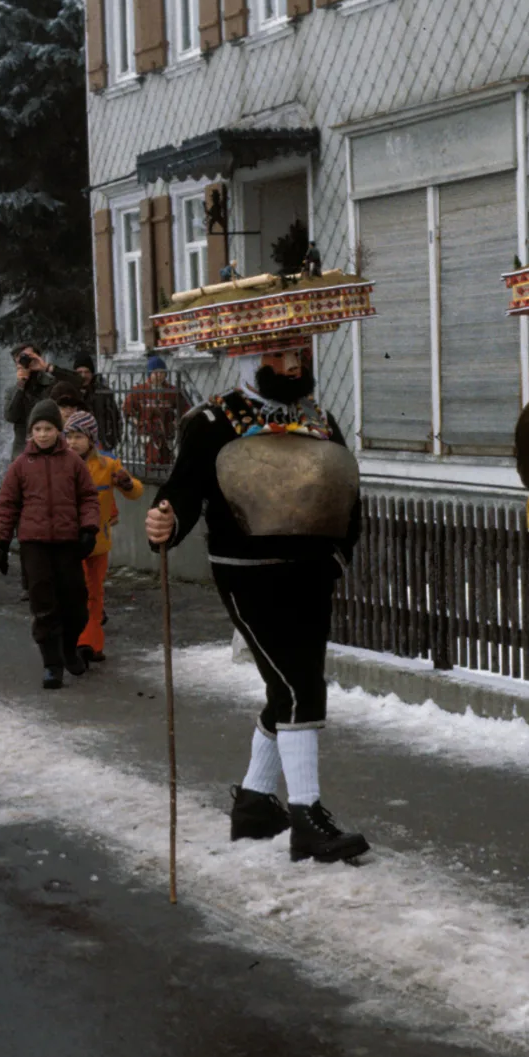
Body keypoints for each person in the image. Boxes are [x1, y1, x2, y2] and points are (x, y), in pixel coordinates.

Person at [145, 343, 368, 863]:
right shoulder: (210, 423)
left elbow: (346, 492)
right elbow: (183, 492)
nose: (293, 366)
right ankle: (307, 817)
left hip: (312, 572)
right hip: (248, 575)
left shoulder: (319, 420)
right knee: (298, 687)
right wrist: (166, 523)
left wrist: (339, 555)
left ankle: (254, 802)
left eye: (300, 353)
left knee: (288, 688)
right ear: (248, 357)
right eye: (277, 355)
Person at [0, 399, 99, 689]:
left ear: (58, 431)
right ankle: (52, 664)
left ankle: (68, 649)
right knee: (43, 605)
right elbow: (7, 505)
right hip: (34, 545)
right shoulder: (20, 466)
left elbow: (88, 497)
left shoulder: (73, 462)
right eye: (37, 429)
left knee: (76, 604)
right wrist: (1, 542)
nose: (42, 434)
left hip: (67, 543)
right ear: (30, 432)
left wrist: (89, 528)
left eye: (48, 428)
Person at [63, 411, 141, 663]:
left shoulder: (108, 464)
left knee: (94, 594)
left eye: (78, 436)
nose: (72, 442)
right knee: (74, 593)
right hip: (67, 542)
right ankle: (78, 640)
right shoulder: (60, 463)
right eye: (69, 436)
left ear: (91, 438)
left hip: (98, 543)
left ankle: (91, 644)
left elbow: (135, 492)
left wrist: (128, 483)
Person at [3, 343, 83, 459]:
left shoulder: (52, 385)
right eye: (21, 358)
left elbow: (78, 382)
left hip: (53, 452)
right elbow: (10, 417)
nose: (26, 361)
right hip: (24, 454)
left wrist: (46, 367)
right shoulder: (13, 391)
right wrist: (21, 386)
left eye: (29, 356)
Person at [123, 356, 192, 474]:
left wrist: (177, 421)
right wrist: (137, 422)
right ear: (150, 374)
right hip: (148, 429)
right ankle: (152, 476)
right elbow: (127, 408)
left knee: (167, 457)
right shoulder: (139, 390)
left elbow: (184, 407)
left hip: (167, 429)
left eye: (162, 372)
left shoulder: (172, 390)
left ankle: (165, 478)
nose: (159, 375)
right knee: (152, 456)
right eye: (156, 372)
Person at [73, 353, 122, 453]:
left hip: (100, 444)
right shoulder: (70, 391)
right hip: (75, 444)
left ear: (92, 373)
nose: (83, 375)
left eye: (87, 372)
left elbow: (115, 416)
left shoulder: (103, 392)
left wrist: (112, 440)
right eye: (80, 372)